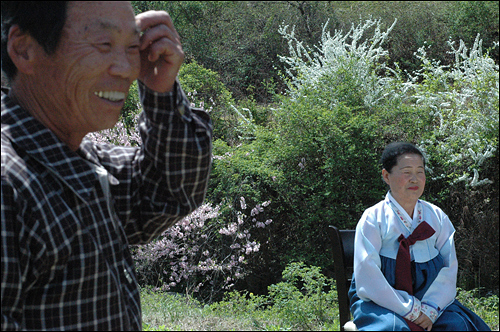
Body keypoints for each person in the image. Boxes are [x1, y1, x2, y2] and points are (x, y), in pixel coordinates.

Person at [1, 1, 212, 330]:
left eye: (132, 47)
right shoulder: (8, 182)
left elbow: (168, 192)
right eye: (104, 44)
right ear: (25, 50)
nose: (128, 69)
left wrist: (161, 92)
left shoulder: (77, 157)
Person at [348, 142, 490, 331]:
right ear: (386, 176)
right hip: (380, 300)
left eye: (420, 172)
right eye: (407, 172)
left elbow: (449, 268)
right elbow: (369, 277)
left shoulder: (437, 216)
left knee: (458, 325)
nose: (414, 179)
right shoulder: (373, 218)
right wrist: (411, 311)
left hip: (432, 300)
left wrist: (430, 309)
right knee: (391, 328)